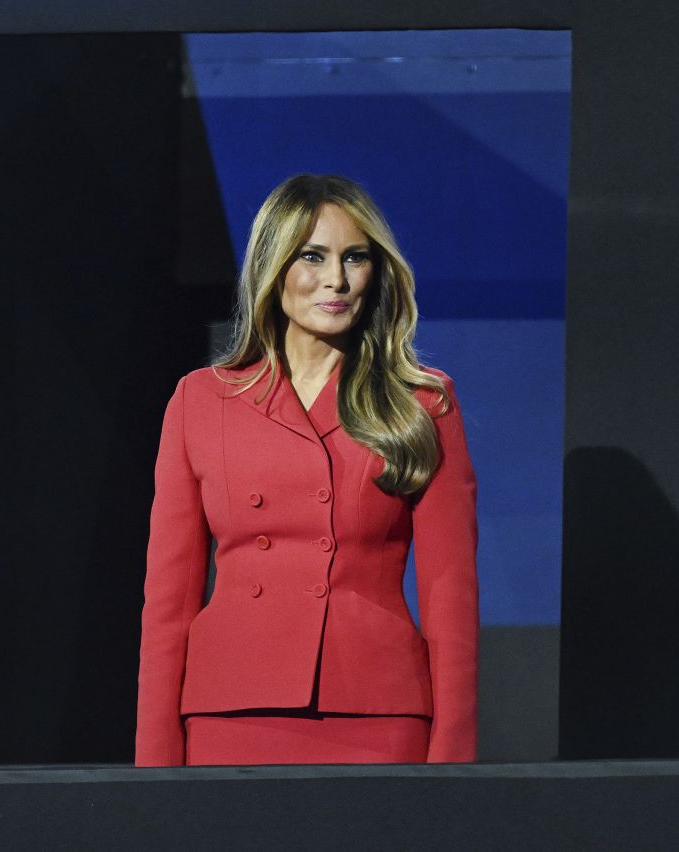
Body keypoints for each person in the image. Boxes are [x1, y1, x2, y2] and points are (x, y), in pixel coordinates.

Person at [136, 174, 479, 766]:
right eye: (313, 257)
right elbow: (167, 601)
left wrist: (452, 757)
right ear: (273, 267)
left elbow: (451, 594)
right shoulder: (200, 400)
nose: (337, 280)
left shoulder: (421, 402)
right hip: (229, 709)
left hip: (376, 709)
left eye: (356, 258)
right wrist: (154, 763)